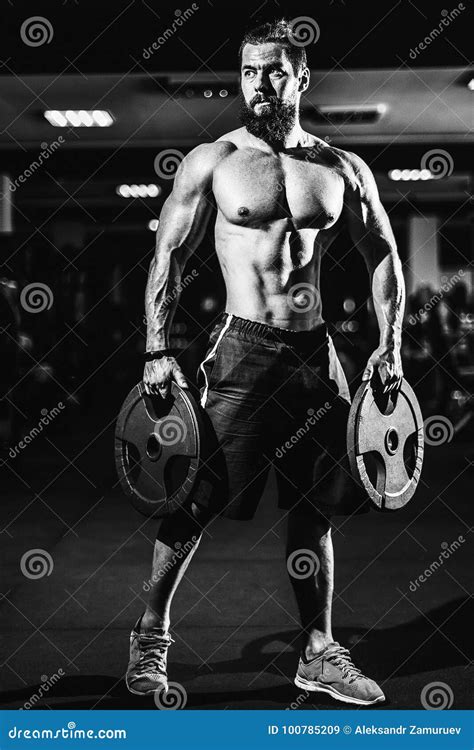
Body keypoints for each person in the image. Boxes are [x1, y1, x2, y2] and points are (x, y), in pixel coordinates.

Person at [125, 19, 405, 706]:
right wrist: (157, 348)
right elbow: (170, 255)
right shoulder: (213, 160)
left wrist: (389, 342)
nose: (259, 83)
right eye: (249, 71)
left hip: (316, 352)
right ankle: (150, 637)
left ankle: (317, 650)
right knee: (193, 496)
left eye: (274, 70)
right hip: (243, 345)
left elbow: (385, 255)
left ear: (302, 77)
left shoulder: (340, 168)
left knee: (317, 504)